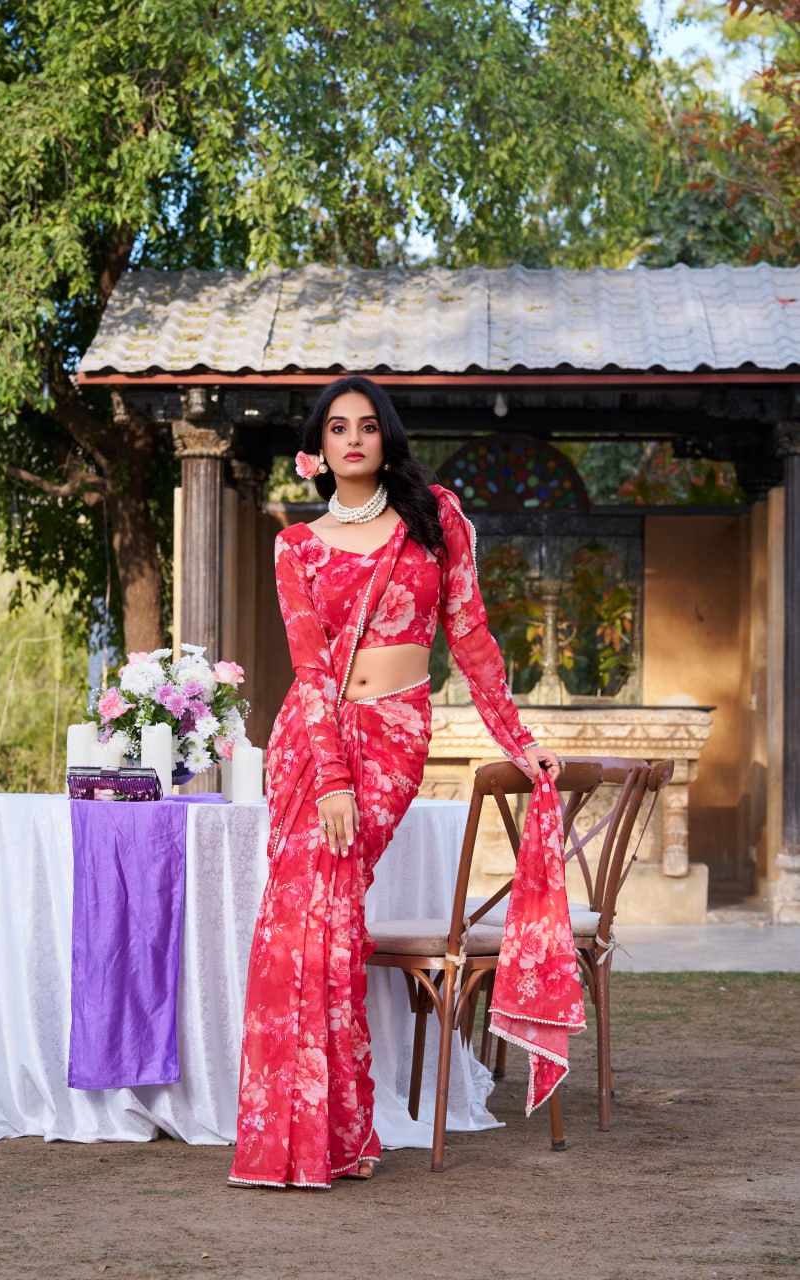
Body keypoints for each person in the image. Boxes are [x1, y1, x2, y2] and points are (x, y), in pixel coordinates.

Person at [227, 375, 560, 1190]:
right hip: (316, 747)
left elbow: (472, 642)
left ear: (386, 440)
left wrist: (518, 742)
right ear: (320, 446)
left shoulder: (433, 520)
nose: (351, 440)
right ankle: (309, 1143)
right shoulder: (295, 548)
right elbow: (309, 673)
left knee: (326, 918)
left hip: (394, 739)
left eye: (366, 427)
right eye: (336, 427)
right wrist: (330, 777)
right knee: (301, 928)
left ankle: (324, 1138)